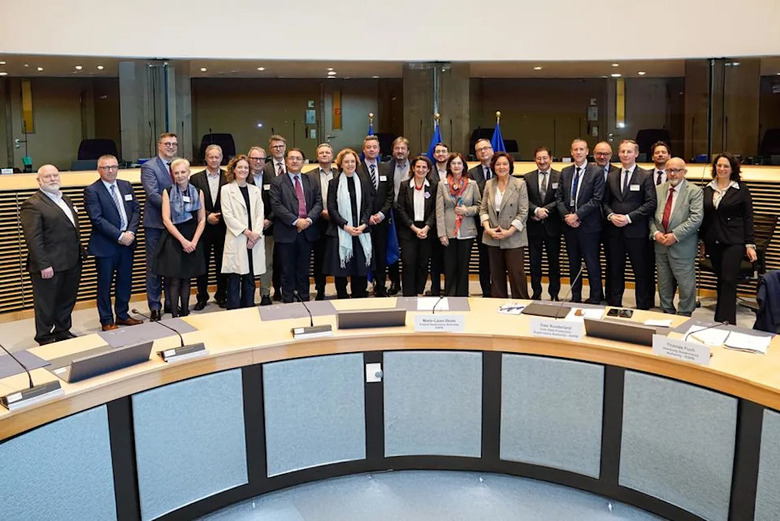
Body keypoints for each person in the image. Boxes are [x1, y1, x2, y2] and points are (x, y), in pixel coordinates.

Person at [21, 165, 85, 345]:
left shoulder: (65, 198)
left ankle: (62, 330)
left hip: (71, 261)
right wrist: (43, 264)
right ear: (39, 181)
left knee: (67, 299)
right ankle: (44, 337)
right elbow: (33, 238)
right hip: (49, 265)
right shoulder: (32, 204)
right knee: (46, 304)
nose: (53, 179)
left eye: (55, 175)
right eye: (47, 176)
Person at [84, 155, 142, 331]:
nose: (110, 170)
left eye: (113, 167)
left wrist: (130, 232)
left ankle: (122, 315)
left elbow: (136, 210)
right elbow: (97, 219)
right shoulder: (92, 190)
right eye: (105, 167)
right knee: (105, 284)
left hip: (128, 243)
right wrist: (119, 235)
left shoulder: (126, 185)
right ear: (99, 169)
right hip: (106, 245)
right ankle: (107, 320)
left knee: (125, 281)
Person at [701, 152, 757, 325]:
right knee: (721, 279)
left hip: (734, 241)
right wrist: (702, 240)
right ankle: (719, 318)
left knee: (728, 279)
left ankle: (727, 321)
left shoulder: (741, 189)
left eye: (726, 166)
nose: (722, 169)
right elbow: (705, 217)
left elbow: (748, 218)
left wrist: (750, 244)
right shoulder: (707, 189)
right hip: (713, 241)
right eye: (719, 165)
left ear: (732, 169)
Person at [603, 139, 657, 309]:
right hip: (615, 233)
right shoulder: (611, 176)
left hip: (637, 232)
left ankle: (642, 307)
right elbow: (605, 202)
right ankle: (615, 305)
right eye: (622, 151)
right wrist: (611, 215)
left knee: (640, 272)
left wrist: (628, 218)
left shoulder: (646, 176)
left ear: (636, 154)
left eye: (629, 151)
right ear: (618, 154)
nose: (625, 155)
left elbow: (650, 203)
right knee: (615, 271)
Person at [649, 157, 703, 316]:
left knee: (686, 285)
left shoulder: (694, 191)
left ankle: (685, 314)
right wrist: (656, 233)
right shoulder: (658, 189)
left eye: (676, 170)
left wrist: (675, 235)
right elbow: (650, 216)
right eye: (669, 170)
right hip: (660, 244)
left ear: (684, 172)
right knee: (664, 283)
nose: (672, 174)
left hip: (682, 246)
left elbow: (696, 218)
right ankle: (666, 311)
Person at [153, 159, 206, 317]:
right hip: (174, 238)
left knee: (187, 277)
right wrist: (183, 241)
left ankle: (185, 311)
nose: (180, 175)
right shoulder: (167, 192)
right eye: (176, 173)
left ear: (189, 173)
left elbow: (202, 219)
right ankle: (175, 313)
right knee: (175, 278)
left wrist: (194, 241)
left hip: (193, 236)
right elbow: (166, 220)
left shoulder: (198, 191)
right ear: (172, 175)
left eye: (183, 172)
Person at [555, 138, 605, 304]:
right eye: (575, 149)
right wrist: (568, 217)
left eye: (581, 149)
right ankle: (576, 296)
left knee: (592, 264)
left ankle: (595, 297)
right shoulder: (565, 172)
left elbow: (597, 199)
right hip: (570, 227)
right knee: (573, 264)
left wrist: (577, 215)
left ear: (587, 152)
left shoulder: (596, 172)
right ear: (571, 152)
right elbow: (559, 198)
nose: (578, 152)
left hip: (589, 226)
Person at [270, 147, 323, 303]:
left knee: (303, 270)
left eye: (298, 158)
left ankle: (304, 298)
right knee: (286, 271)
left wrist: (308, 221)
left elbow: (318, 203)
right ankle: (288, 300)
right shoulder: (277, 181)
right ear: (286, 161)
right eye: (291, 158)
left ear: (303, 162)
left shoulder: (311, 180)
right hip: (286, 232)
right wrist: (296, 221)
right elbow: (276, 205)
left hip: (308, 231)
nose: (294, 161)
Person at [324, 148, 373, 299]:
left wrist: (364, 224)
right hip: (341, 231)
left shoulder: (364, 181)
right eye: (346, 162)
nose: (350, 164)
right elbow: (331, 207)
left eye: (352, 161)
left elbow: (369, 205)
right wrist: (345, 226)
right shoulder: (334, 183)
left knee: (360, 269)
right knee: (342, 270)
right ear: (340, 164)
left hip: (360, 231)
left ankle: (359, 296)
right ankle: (342, 297)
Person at [480, 152, 529, 299]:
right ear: (493, 166)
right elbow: (482, 209)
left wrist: (509, 231)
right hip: (492, 236)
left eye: (505, 164)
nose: (501, 167)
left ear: (510, 166)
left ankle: (521, 304)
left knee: (517, 274)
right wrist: (488, 229)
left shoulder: (520, 184)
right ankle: (498, 306)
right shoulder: (489, 184)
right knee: (496, 275)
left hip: (514, 237)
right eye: (498, 164)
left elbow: (523, 212)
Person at [220, 154, 266, 309]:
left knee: (250, 276)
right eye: (240, 167)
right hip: (238, 238)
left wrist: (255, 235)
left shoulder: (254, 190)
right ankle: (233, 308)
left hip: (254, 240)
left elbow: (260, 214)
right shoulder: (226, 190)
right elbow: (228, 216)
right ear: (233, 170)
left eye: (246, 167)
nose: (243, 170)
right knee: (235, 276)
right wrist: (247, 233)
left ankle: (249, 305)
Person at [141, 132, 177, 321]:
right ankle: (155, 306)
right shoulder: (149, 167)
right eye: (167, 144)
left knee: (171, 265)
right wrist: (174, 209)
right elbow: (153, 194)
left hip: (176, 226)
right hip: (156, 225)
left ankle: (171, 302)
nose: (171, 147)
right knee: (154, 267)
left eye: (174, 144)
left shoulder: (179, 165)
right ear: (159, 146)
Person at [437, 152, 481, 297]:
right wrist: (441, 233)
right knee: (449, 267)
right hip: (449, 231)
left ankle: (462, 296)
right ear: (449, 166)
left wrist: (466, 210)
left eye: (459, 163)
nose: (456, 166)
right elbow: (439, 210)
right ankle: (450, 295)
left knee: (463, 267)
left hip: (467, 230)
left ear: (464, 166)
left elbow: (480, 207)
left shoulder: (472, 184)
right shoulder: (442, 185)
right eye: (453, 163)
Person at [189, 144, 228, 310]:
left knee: (222, 264)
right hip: (202, 228)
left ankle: (221, 295)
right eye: (211, 157)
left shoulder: (229, 176)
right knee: (202, 265)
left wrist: (218, 215)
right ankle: (202, 297)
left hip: (223, 227)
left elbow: (232, 202)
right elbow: (192, 203)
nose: (214, 160)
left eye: (217, 157)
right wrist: (207, 216)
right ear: (205, 158)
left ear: (221, 158)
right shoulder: (195, 178)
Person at [524, 146, 561, 301]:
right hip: (534, 226)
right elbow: (524, 199)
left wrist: (544, 211)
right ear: (535, 160)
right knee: (534, 263)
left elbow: (560, 199)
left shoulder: (560, 176)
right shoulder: (527, 177)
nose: (542, 161)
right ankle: (536, 292)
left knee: (554, 262)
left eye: (545, 158)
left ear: (551, 159)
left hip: (553, 226)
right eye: (539, 158)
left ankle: (554, 293)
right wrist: (536, 210)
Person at [395, 156, 437, 297]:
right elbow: (400, 208)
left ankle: (419, 292)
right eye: (418, 167)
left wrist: (426, 227)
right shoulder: (405, 185)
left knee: (423, 264)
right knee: (408, 263)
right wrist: (413, 227)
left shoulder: (434, 186)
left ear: (428, 169)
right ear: (413, 168)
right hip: (409, 230)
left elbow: (435, 210)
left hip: (426, 230)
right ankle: (408, 295)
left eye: (424, 167)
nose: (420, 169)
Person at [359, 135, 394, 297]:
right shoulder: (357, 169)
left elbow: (390, 195)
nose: (372, 149)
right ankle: (362, 287)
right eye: (368, 147)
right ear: (363, 150)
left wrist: (380, 214)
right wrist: (367, 217)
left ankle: (381, 286)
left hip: (381, 220)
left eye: (374, 147)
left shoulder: (386, 168)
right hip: (363, 221)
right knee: (364, 254)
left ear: (379, 150)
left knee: (380, 254)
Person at [308, 143, 337, 300]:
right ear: (317, 156)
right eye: (321, 153)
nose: (324, 155)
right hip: (317, 222)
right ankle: (320, 289)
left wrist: (333, 214)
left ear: (332, 156)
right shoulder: (309, 175)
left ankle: (341, 289)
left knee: (338, 256)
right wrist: (320, 212)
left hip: (337, 221)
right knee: (319, 258)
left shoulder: (340, 173)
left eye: (327, 152)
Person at [247, 145, 275, 305]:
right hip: (247, 230)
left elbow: (277, 202)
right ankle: (248, 295)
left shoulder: (272, 178)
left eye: (261, 159)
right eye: (254, 158)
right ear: (249, 159)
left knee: (267, 262)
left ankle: (265, 293)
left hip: (267, 227)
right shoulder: (242, 176)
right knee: (247, 263)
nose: (257, 162)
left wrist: (269, 219)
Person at [263, 135, 288, 301]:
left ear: (285, 148)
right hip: (270, 222)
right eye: (274, 147)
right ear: (270, 150)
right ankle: (268, 291)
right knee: (269, 261)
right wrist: (270, 217)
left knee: (285, 260)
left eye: (280, 146)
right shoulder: (264, 169)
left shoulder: (293, 165)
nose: (278, 149)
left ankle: (285, 289)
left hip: (289, 222)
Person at [593, 141, 618, 301]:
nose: (602, 157)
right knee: (593, 261)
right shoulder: (587, 171)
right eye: (599, 153)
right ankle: (596, 294)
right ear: (594, 154)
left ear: (611, 155)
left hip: (611, 225)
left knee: (612, 261)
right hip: (591, 224)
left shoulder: (618, 172)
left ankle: (610, 295)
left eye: (606, 154)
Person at [468, 138, 493, 297]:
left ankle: (499, 290)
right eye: (479, 150)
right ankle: (486, 291)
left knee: (497, 260)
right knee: (484, 259)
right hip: (479, 223)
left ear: (492, 149)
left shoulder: (502, 167)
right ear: (476, 154)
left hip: (501, 222)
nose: (483, 151)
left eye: (486, 148)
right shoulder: (471, 173)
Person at [386, 136, 410, 295]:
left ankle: (409, 283)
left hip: (410, 215)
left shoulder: (417, 167)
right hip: (391, 214)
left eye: (403, 148)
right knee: (391, 249)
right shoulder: (386, 167)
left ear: (408, 151)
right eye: (397, 148)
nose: (400, 151)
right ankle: (395, 282)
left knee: (408, 251)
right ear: (393, 150)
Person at [429, 143, 450, 296]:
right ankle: (435, 288)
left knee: (449, 257)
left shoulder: (454, 170)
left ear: (448, 154)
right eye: (438, 152)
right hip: (432, 220)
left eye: (443, 151)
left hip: (450, 221)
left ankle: (450, 288)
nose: (441, 154)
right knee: (434, 258)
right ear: (434, 155)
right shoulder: (429, 171)